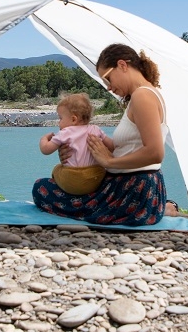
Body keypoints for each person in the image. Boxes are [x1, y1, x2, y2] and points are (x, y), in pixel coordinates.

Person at [32, 44, 169, 226]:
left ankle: (155, 206)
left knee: (41, 188)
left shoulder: (142, 96)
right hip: (131, 186)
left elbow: (155, 152)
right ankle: (159, 205)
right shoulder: (144, 94)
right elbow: (128, 147)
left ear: (122, 65)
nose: (109, 87)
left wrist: (109, 162)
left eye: (108, 79)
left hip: (131, 190)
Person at [38, 93, 115, 195]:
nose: (58, 123)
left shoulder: (65, 133)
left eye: (60, 118)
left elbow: (46, 150)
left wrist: (43, 139)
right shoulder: (95, 129)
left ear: (74, 119)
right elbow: (112, 146)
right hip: (94, 178)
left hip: (72, 179)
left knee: (57, 169)